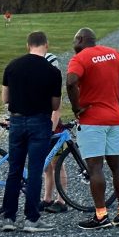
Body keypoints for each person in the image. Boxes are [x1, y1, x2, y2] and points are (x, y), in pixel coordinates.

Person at [66, 28, 119, 230]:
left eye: (75, 41)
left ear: (80, 40)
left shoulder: (80, 58)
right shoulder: (113, 53)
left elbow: (71, 81)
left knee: (95, 168)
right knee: (117, 166)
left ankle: (101, 216)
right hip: (115, 119)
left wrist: (76, 107)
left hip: (92, 120)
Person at [1, 31, 62, 233]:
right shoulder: (52, 71)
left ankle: (8, 217)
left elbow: (5, 98)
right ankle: (31, 219)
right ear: (46, 44)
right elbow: (55, 104)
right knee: (36, 170)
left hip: (17, 122)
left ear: (28, 45)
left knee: (14, 170)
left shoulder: (12, 66)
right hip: (39, 122)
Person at [39, 52, 68, 214]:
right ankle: (47, 198)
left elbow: (56, 112)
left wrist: (49, 131)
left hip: (53, 130)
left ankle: (61, 200)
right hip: (43, 129)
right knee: (46, 167)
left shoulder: (54, 86)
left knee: (57, 165)